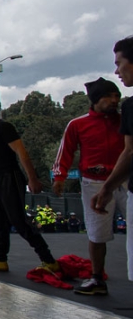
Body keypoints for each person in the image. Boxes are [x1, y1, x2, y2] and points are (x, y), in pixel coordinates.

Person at [53, 77, 125, 295]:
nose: (114, 101)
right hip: (94, 182)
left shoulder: (125, 120)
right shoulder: (77, 124)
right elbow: (65, 151)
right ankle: (96, 277)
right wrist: (59, 177)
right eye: (108, 97)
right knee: (96, 233)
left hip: (126, 180)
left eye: (116, 96)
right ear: (95, 100)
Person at [0, 95, 60, 273]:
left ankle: (48, 260)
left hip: (9, 176)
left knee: (19, 220)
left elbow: (21, 152)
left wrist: (32, 178)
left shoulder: (4, 127)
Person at [91, 37, 133, 292]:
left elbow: (129, 153)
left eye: (120, 63)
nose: (117, 70)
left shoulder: (131, 107)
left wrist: (106, 189)